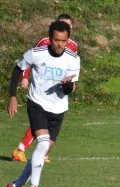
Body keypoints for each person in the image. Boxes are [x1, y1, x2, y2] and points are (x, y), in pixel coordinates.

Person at [6, 20, 81, 187]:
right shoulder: (36, 54)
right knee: (42, 142)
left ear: (67, 40)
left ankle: (16, 185)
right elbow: (18, 69)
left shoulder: (73, 59)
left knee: (43, 150)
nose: (59, 44)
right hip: (37, 103)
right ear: (50, 39)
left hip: (59, 108)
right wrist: (13, 96)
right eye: (56, 40)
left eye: (63, 41)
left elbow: (70, 90)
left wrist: (68, 85)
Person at [11, 14, 78, 164]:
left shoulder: (73, 46)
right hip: (40, 94)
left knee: (45, 128)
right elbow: (29, 60)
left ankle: (38, 155)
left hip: (58, 97)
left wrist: (70, 84)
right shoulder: (44, 43)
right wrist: (25, 76)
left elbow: (71, 68)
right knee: (40, 124)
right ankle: (23, 151)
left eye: (69, 25)